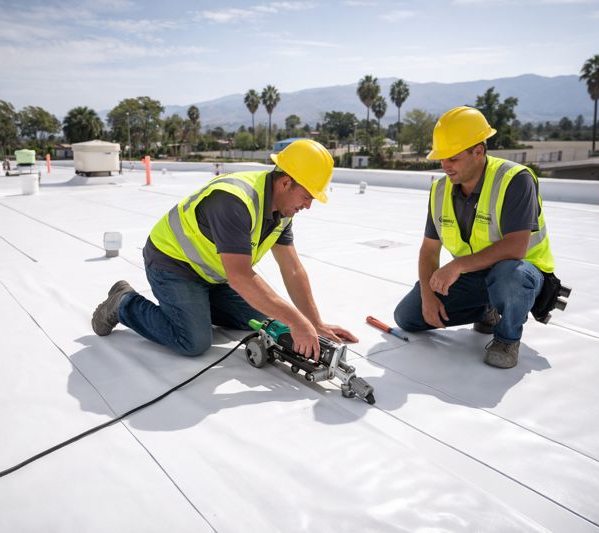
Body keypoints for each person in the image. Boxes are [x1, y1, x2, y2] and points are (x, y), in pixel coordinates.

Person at [91, 139, 358, 359]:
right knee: (193, 342)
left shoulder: (283, 210)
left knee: (269, 317)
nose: (308, 205)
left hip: (214, 276)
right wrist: (298, 323)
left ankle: (198, 306)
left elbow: (293, 270)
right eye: (307, 196)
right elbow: (240, 277)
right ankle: (124, 302)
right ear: (286, 182)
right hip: (173, 265)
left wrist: (314, 322)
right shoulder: (234, 201)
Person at [393, 106, 555, 369]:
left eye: (453, 159)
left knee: (509, 276)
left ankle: (507, 337)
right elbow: (429, 250)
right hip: (476, 275)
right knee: (407, 317)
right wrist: (427, 295)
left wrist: (457, 265)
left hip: (522, 273)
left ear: (478, 151)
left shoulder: (515, 180)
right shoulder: (440, 190)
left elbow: (516, 247)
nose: (445, 166)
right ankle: (487, 310)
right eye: (442, 159)